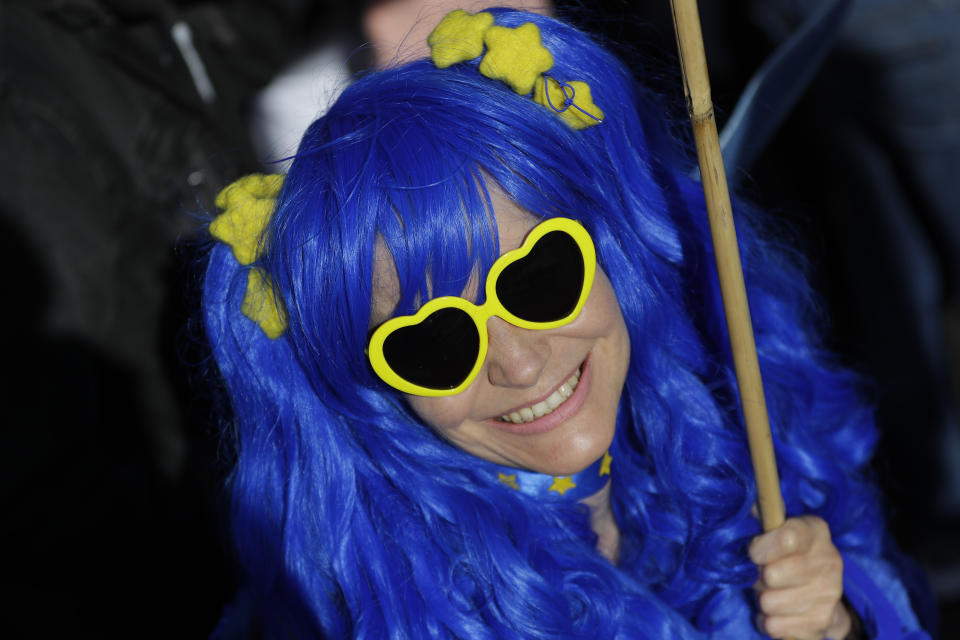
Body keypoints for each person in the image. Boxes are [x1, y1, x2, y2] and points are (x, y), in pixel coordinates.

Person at [201, 9, 930, 638]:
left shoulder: (718, 431)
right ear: (369, 386)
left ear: (613, 248)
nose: (517, 363)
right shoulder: (388, 608)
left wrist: (838, 618)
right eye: (434, 343)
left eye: (537, 279)